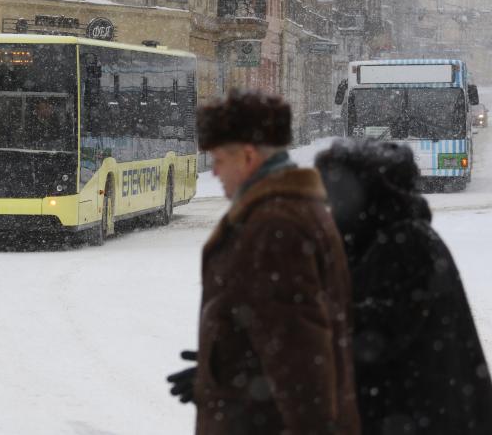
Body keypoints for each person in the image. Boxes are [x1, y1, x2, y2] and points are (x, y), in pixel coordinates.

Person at [168, 89, 360, 435]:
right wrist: (217, 372)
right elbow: (271, 334)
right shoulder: (286, 212)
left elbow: (301, 356)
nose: (214, 172)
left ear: (248, 156)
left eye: (219, 160)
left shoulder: (276, 225)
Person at [314, 139, 492, 435]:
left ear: (365, 194)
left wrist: (308, 317)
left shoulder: (406, 244)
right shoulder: (385, 238)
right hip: (420, 413)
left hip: (423, 416)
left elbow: (379, 332)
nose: (331, 208)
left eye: (336, 195)